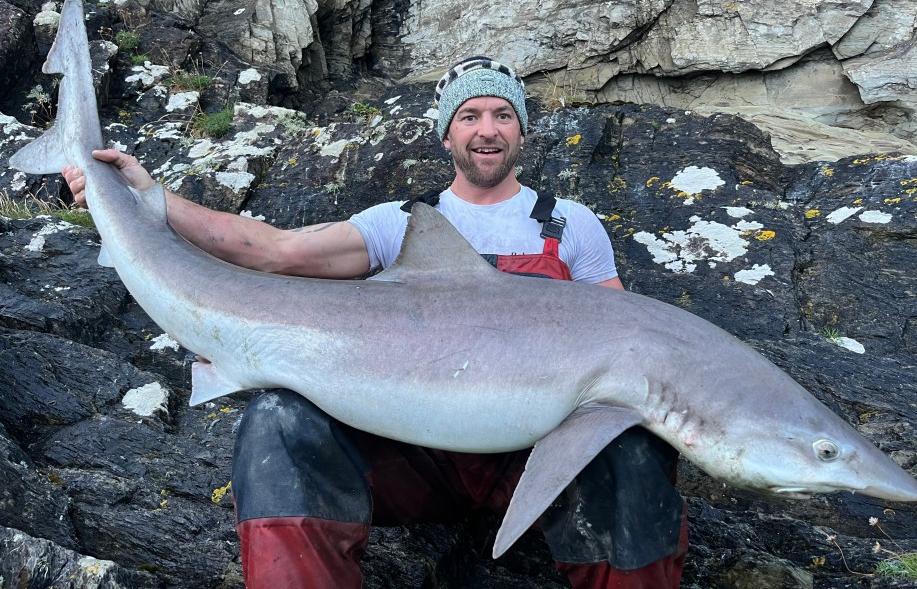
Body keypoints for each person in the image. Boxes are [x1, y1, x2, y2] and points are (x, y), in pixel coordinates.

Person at [64, 56, 688, 589]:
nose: (486, 130)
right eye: (469, 116)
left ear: (522, 131)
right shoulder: (399, 222)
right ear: (447, 135)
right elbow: (270, 251)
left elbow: (628, 346)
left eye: (502, 115)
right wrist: (146, 198)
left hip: (533, 457)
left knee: (633, 449)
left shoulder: (570, 225)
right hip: (408, 455)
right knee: (278, 420)